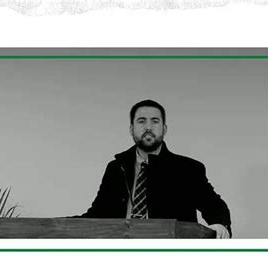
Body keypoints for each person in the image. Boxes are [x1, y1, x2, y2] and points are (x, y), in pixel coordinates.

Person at [82, 99, 231, 238]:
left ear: (164, 129)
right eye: (141, 121)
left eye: (155, 121)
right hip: (122, 253)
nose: (148, 127)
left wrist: (219, 224)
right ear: (131, 129)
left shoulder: (188, 169)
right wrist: (60, 224)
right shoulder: (116, 167)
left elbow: (214, 206)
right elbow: (98, 213)